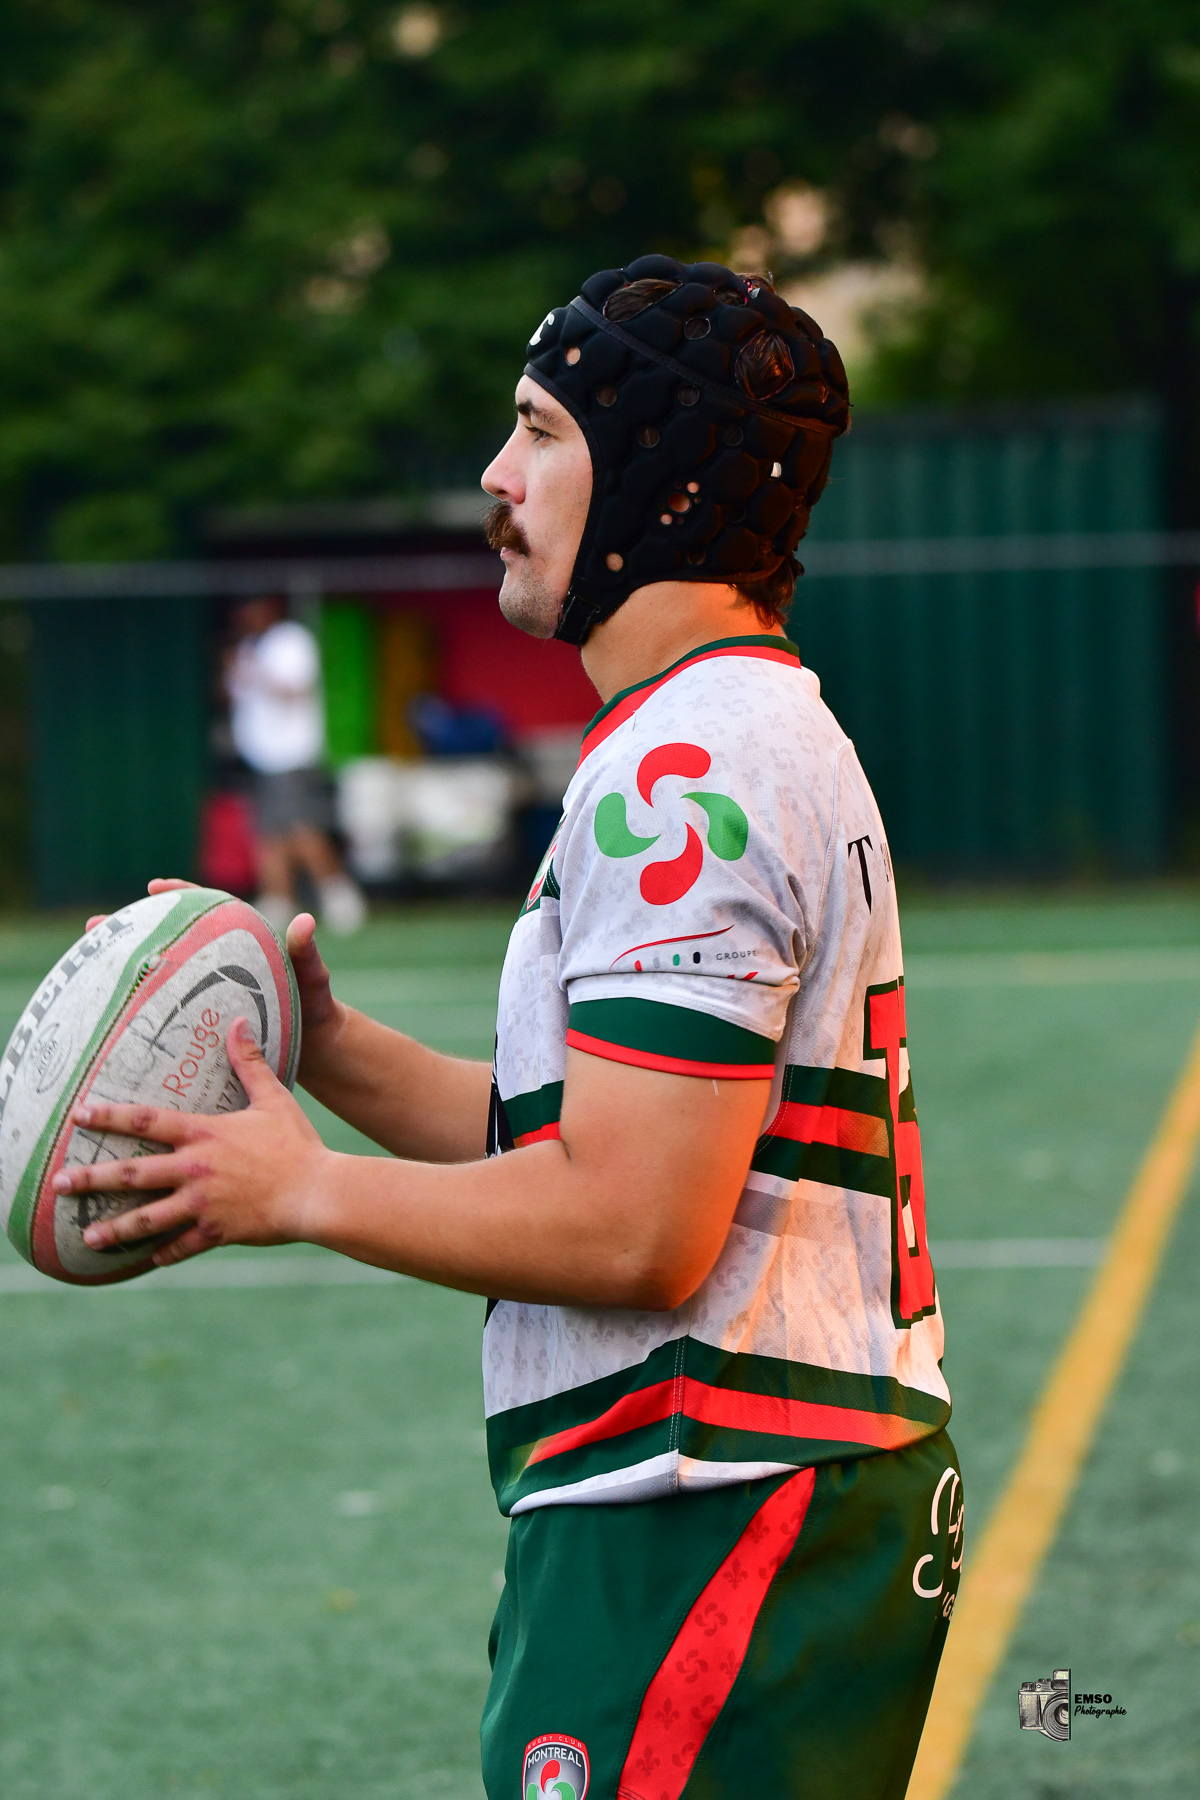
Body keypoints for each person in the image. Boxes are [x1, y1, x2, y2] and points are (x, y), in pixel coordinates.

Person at [60, 256, 960, 1800]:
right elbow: (585, 1137)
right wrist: (326, 1051)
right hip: (738, 1490)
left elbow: (632, 1226)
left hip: (715, 1495)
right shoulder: (722, 727)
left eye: (538, 430)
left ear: (662, 486)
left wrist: (301, 1192)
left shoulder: (692, 766)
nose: (497, 476)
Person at [226, 595, 366, 936]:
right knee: (270, 834)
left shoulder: (290, 641)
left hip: (292, 755)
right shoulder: (248, 648)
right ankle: (277, 901)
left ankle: (340, 897)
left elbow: (292, 691)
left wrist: (255, 671)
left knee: (304, 829)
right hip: (262, 757)